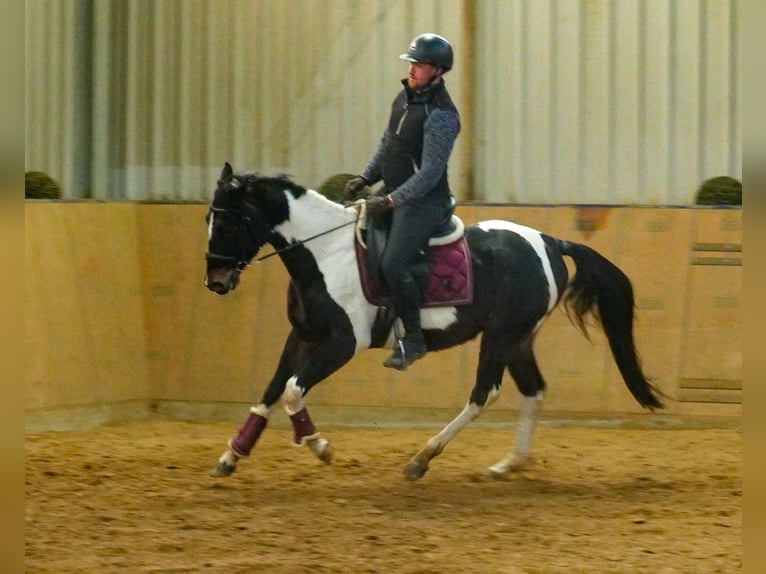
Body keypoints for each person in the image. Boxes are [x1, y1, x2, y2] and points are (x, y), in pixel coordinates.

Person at [344, 33, 461, 370]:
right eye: (412, 63)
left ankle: (413, 339)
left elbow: (429, 173)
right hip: (395, 194)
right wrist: (366, 177)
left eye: (420, 64)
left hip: (425, 202)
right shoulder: (405, 98)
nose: (412, 69)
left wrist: (392, 200)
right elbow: (388, 144)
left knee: (394, 262)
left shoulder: (442, 116)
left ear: (437, 71)